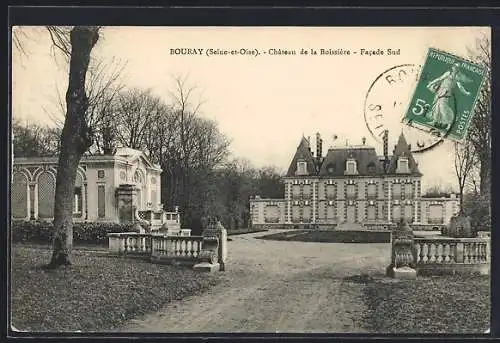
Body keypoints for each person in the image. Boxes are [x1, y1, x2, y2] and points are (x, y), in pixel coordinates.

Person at [425, 62, 472, 130]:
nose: (456, 68)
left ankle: (450, 123)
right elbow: (439, 79)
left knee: (443, 107)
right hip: (440, 91)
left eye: (457, 68)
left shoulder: (457, 77)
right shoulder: (448, 73)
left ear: (458, 69)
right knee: (436, 106)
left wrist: (466, 93)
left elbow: (460, 87)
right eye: (455, 67)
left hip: (446, 93)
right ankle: (435, 121)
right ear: (453, 67)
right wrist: (431, 84)